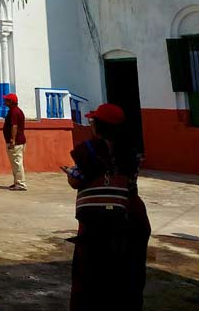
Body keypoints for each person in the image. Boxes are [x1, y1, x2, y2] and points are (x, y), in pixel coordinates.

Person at [65, 103, 150, 311]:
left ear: (98, 126)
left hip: (96, 222)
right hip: (130, 213)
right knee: (128, 275)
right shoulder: (133, 152)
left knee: (90, 279)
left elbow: (77, 180)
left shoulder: (90, 151)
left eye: (93, 121)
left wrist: (71, 173)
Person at [3, 93, 27, 191]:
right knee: (15, 163)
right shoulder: (16, 111)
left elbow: (14, 126)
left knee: (17, 163)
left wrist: (12, 139)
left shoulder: (14, 112)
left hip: (16, 142)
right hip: (19, 141)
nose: (5, 102)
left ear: (11, 102)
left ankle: (21, 184)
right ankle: (17, 181)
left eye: (7, 100)